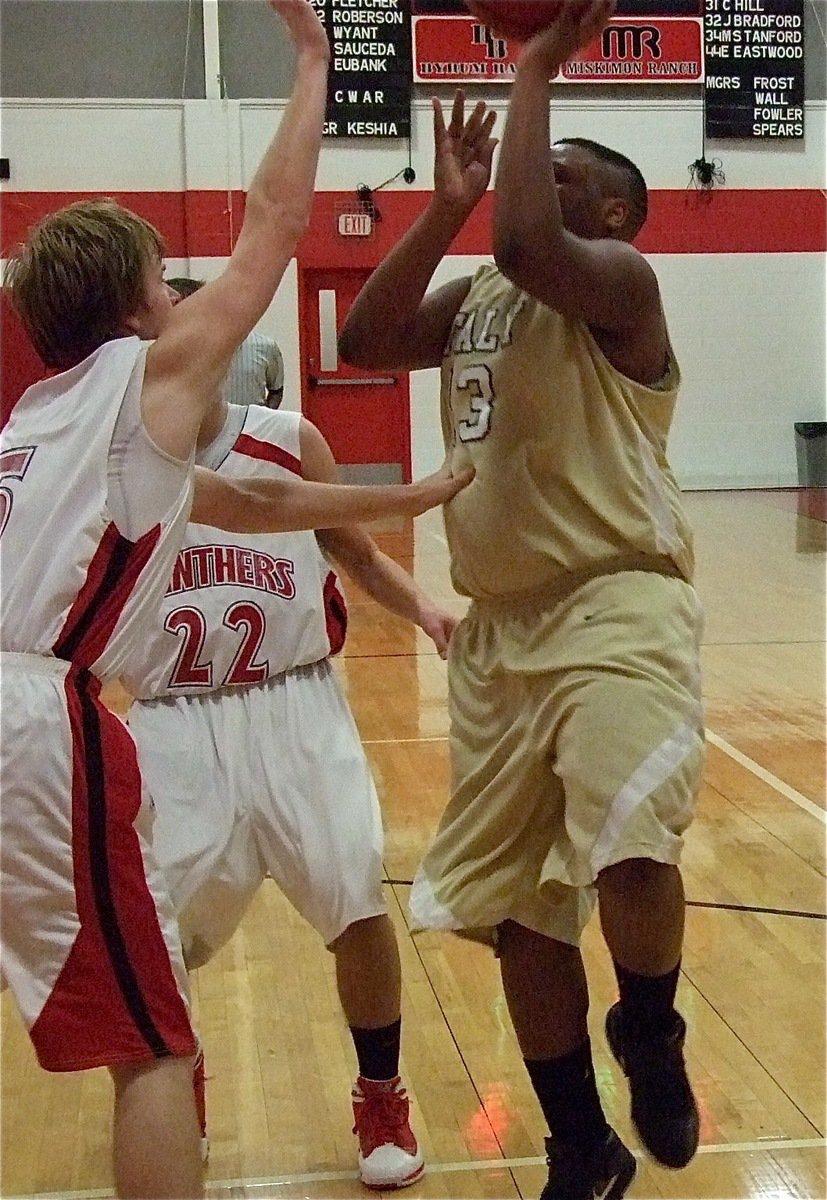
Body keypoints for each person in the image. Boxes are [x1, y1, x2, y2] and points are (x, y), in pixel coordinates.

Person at [0, 3, 469, 1197]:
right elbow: (274, 221)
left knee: (153, 999)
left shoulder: (38, 421)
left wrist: (407, 495)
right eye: (167, 278)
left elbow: (251, 507)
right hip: (70, 720)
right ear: (134, 305)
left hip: (209, 706)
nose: (184, 292)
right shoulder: (138, 380)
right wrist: (312, 59)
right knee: (153, 1035)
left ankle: (369, 1092)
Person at [338, 3, 704, 1198]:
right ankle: (578, 1147)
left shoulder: (616, 282)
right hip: (496, 636)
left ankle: (647, 1027)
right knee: (516, 913)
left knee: (629, 847)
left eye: (549, 173)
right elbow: (369, 332)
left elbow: (524, 245)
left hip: (614, 606)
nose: (517, 180)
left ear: (606, 212)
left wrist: (536, 63)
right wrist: (438, 205)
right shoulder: (487, 298)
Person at [120, 382, 458, 1189]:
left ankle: (381, 1095)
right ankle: (175, 1088)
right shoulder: (116, 459)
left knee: (356, 897)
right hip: (171, 719)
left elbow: (356, 552)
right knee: (159, 937)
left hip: (295, 703)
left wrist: (427, 612)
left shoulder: (285, 438)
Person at [168, 278, 284, 409]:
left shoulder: (266, 347)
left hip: (250, 427)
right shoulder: (183, 350)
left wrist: (261, 421)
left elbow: (276, 391)